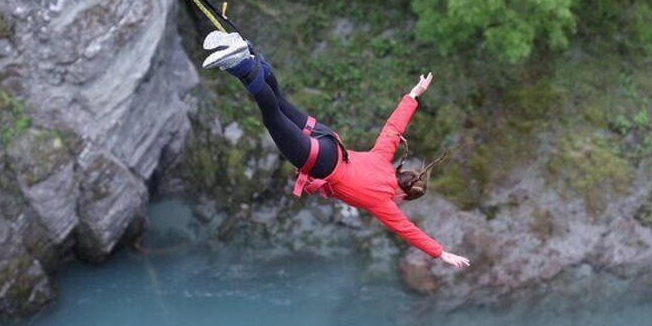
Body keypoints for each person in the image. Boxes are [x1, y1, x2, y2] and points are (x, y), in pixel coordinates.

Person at [202, 31, 471, 269]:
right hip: (320, 162)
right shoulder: (384, 202)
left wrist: (413, 96)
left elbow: (393, 129)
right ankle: (242, 64)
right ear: (403, 194)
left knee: (281, 103)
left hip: (329, 140)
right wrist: (441, 253)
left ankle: (247, 51)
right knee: (272, 115)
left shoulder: (382, 161)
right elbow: (408, 231)